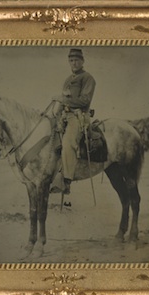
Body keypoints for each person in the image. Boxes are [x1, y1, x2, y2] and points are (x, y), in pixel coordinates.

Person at [56, 48, 96, 194]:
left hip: (78, 116)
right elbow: (63, 100)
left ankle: (66, 181)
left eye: (77, 60)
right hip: (65, 115)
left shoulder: (87, 78)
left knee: (68, 143)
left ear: (82, 61)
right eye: (71, 60)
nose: (74, 63)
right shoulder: (68, 79)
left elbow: (85, 100)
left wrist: (65, 101)